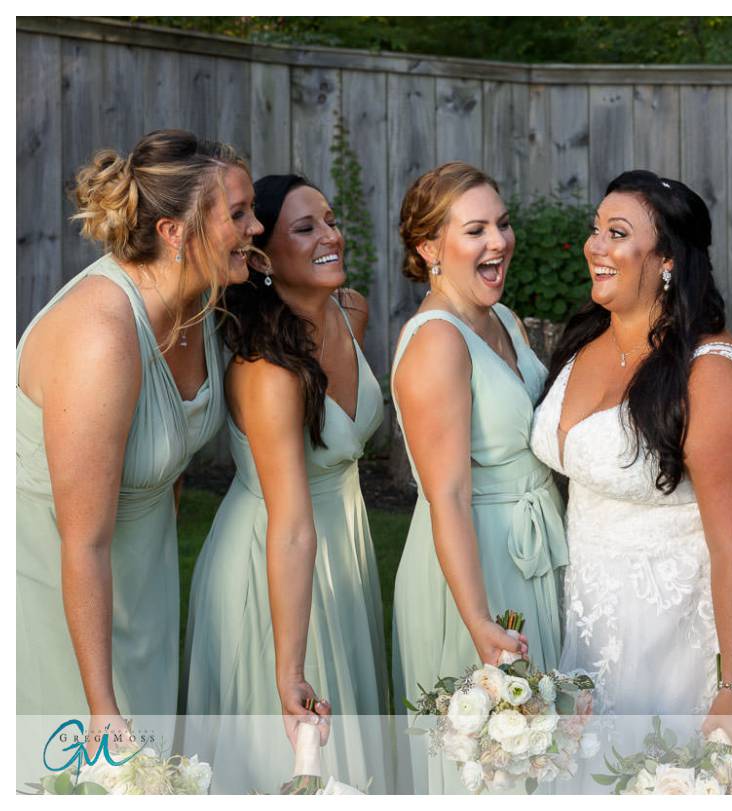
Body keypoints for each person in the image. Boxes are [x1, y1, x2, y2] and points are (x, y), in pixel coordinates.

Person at [531, 170, 732, 770]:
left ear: (667, 258)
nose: (596, 246)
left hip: (681, 630)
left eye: (618, 233)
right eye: (596, 230)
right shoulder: (586, 338)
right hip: (595, 614)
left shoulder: (711, 373)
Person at [16, 130, 258, 747]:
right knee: (94, 767)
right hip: (58, 584)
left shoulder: (199, 306)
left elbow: (167, 458)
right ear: (175, 232)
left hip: (143, 580)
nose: (255, 228)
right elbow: (83, 540)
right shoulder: (100, 337)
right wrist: (101, 707)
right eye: (237, 214)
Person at [182, 175, 390, 792]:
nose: (331, 236)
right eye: (306, 228)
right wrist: (289, 667)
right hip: (277, 558)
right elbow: (292, 524)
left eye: (329, 219)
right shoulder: (267, 373)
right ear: (264, 256)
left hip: (341, 548)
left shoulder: (349, 312)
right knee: (294, 759)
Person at [391, 162, 567, 792]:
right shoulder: (438, 341)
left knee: (542, 756)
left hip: (530, 548)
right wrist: (478, 622)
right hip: (474, 566)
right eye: (476, 230)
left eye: (503, 223)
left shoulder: (504, 320)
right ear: (429, 248)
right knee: (489, 766)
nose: (498, 241)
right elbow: (448, 496)